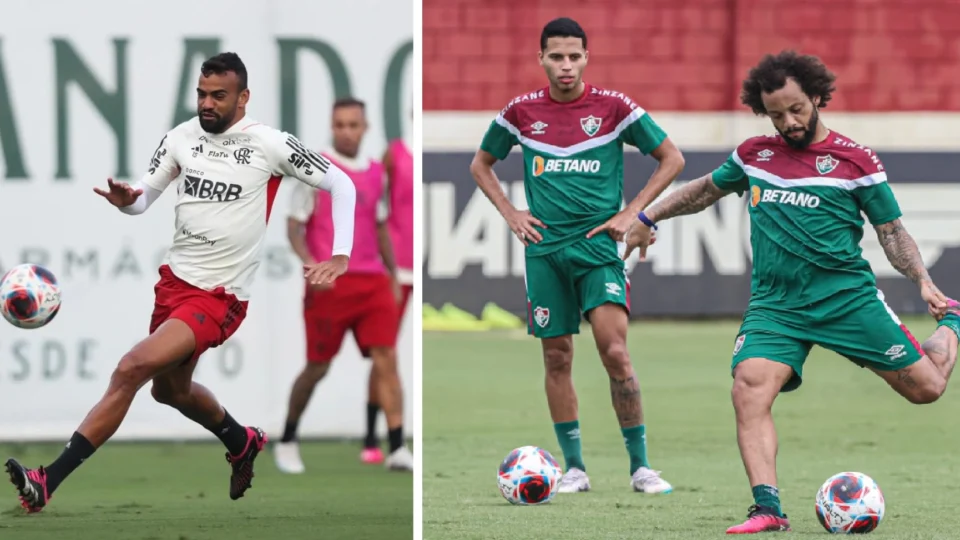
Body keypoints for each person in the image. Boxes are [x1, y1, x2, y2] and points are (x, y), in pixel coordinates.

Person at [622, 50, 960, 534]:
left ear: (818, 97)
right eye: (776, 113)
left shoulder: (855, 161)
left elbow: (891, 231)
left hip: (846, 299)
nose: (788, 121)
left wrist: (923, 281)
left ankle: (953, 321)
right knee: (749, 387)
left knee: (927, 389)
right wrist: (647, 216)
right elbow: (702, 191)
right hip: (776, 305)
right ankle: (767, 508)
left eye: (797, 108)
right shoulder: (754, 156)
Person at [4, 52, 357, 513]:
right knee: (169, 391)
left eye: (218, 96)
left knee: (131, 367)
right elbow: (142, 199)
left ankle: (47, 479)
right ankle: (241, 439)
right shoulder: (181, 138)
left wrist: (340, 254)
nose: (207, 104)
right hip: (174, 285)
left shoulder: (271, 144)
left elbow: (342, 185)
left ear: (243, 97)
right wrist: (126, 199)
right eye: (202, 94)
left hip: (220, 296)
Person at [469, 17, 685, 495]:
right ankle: (575, 469)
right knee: (557, 356)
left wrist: (633, 212)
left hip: (598, 250)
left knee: (615, 352)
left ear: (586, 58)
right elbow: (480, 164)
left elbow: (672, 158)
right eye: (556, 56)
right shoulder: (521, 112)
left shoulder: (613, 108)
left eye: (574, 56)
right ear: (541, 59)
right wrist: (510, 212)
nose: (565, 66)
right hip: (544, 252)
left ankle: (641, 468)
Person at [273, 97, 413, 474]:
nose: (347, 131)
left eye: (354, 124)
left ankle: (398, 445)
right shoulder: (314, 168)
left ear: (365, 128)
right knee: (317, 366)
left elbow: (380, 225)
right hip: (330, 285)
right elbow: (293, 226)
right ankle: (287, 438)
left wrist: (393, 272)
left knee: (387, 359)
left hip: (373, 282)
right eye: (340, 125)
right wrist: (310, 265)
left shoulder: (375, 172)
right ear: (332, 127)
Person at [361, 113, 413, 464]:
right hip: (397, 267)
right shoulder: (395, 154)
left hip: (420, 264)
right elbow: (373, 206)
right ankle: (377, 438)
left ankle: (381, 438)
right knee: (386, 353)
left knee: (386, 355)